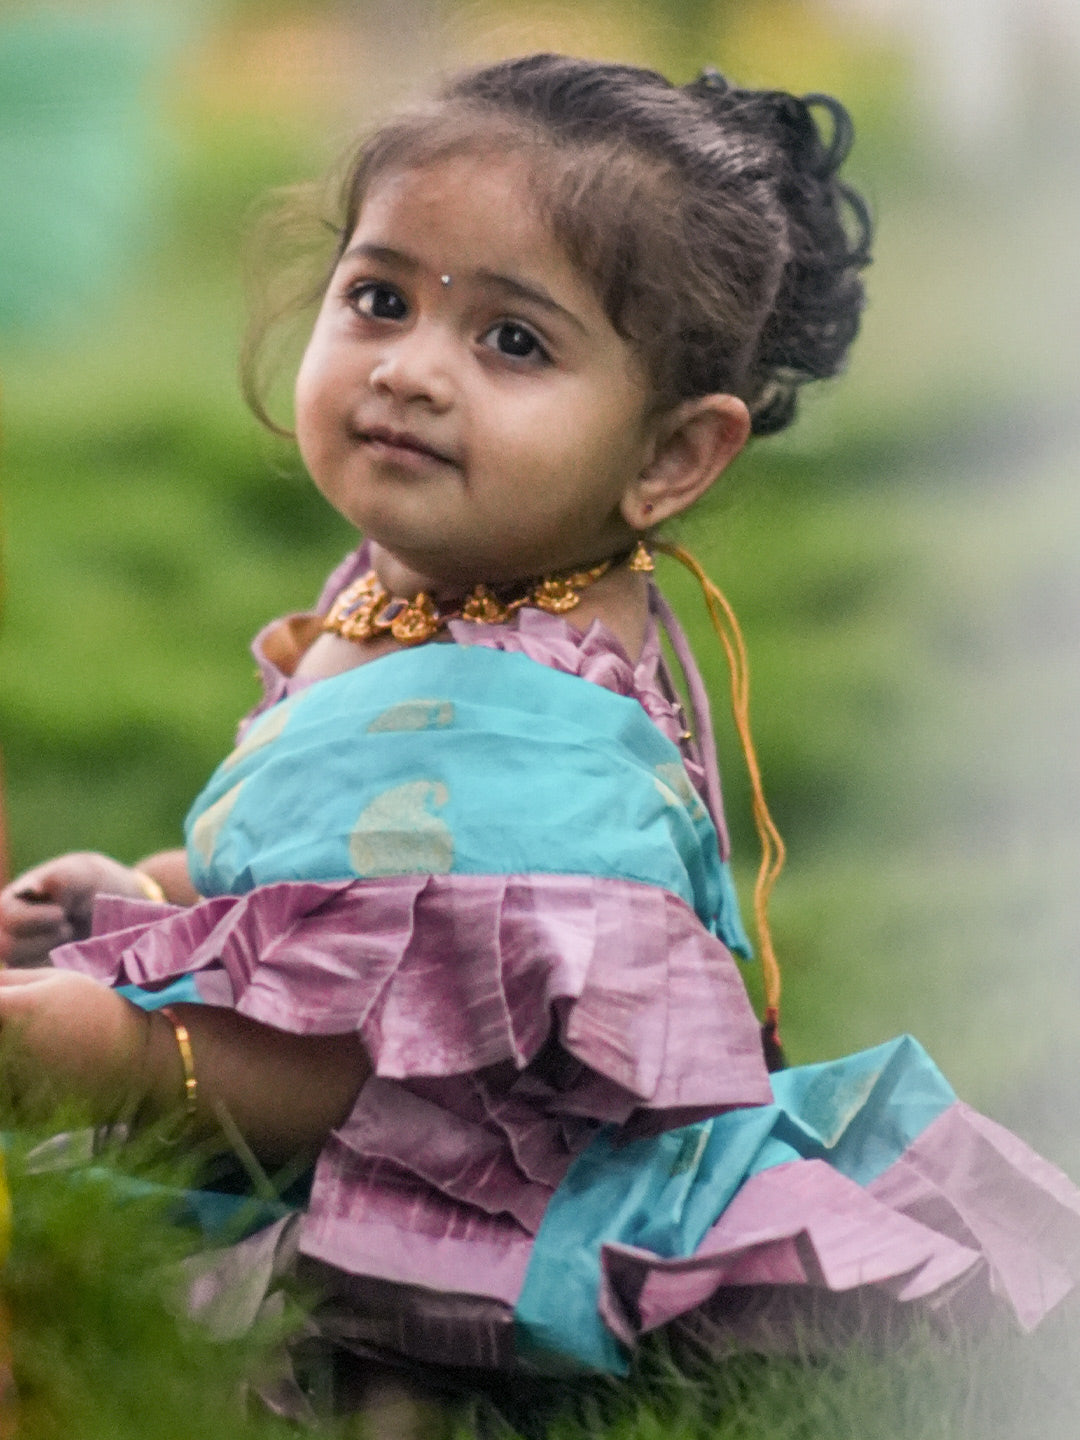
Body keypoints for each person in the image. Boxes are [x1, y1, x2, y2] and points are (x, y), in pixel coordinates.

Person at [1, 53, 1078, 1414]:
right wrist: (151, 893)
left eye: (513, 341)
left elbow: (394, 1050)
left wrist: (126, 1051)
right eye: (381, 298)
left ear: (669, 458)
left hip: (469, 1203)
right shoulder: (420, 585)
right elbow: (342, 889)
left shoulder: (531, 733)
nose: (411, 370)